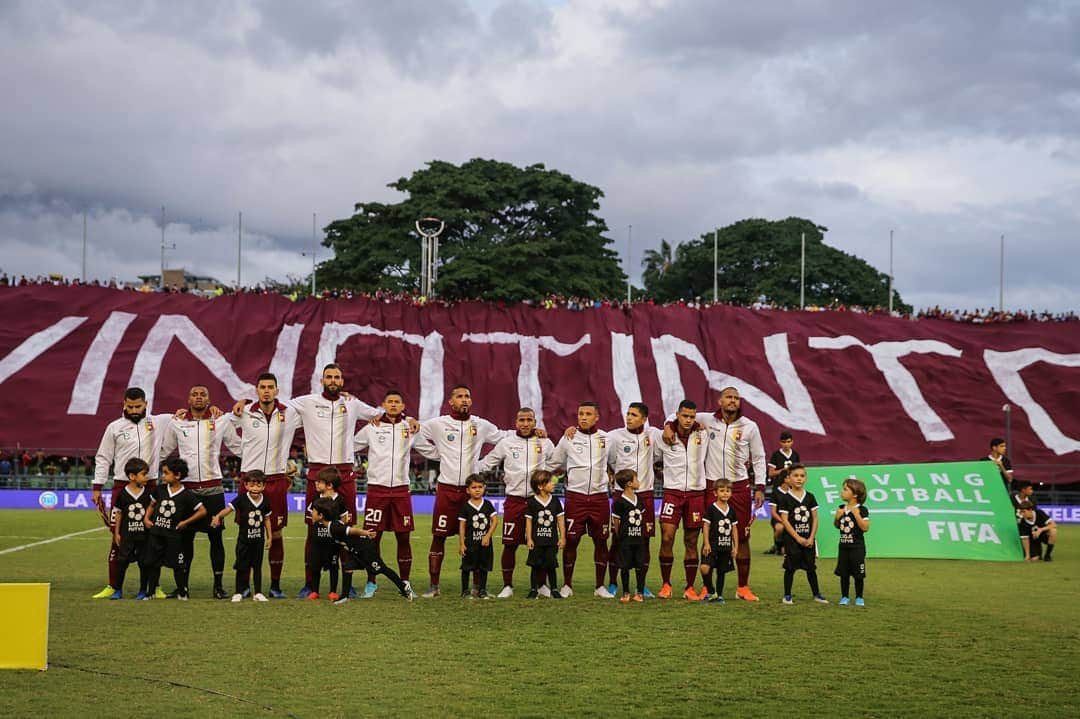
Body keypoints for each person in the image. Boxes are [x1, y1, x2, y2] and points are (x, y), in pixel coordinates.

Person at [240, 364, 381, 598]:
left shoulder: (352, 403)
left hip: (344, 473)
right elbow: (273, 403)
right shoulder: (305, 402)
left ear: (342, 381)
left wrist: (407, 419)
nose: (333, 380)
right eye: (329, 377)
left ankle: (347, 584)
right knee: (312, 530)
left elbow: (378, 413)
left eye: (337, 377)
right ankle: (309, 584)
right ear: (322, 380)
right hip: (317, 473)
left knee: (347, 532)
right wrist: (244, 403)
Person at [668, 386, 767, 601]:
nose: (732, 401)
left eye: (736, 398)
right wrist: (668, 427)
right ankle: (707, 586)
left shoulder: (750, 426)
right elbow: (675, 415)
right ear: (720, 401)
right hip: (711, 486)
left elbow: (759, 457)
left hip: (739, 487)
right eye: (728, 397)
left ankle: (743, 587)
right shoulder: (706, 419)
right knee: (710, 536)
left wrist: (760, 486)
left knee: (741, 538)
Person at [413, 384, 506, 598]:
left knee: (477, 538)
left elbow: (503, 437)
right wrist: (436, 453)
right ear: (451, 401)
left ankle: (476, 588)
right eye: (460, 396)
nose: (464, 400)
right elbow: (414, 431)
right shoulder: (438, 424)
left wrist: (484, 464)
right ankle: (434, 586)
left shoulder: (481, 425)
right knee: (439, 537)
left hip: (470, 492)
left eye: (467, 396)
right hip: (446, 490)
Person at [91, 387, 171, 599]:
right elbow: (103, 457)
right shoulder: (114, 427)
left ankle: (154, 586)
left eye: (138, 406)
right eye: (130, 406)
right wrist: (97, 486)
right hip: (121, 486)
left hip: (150, 485)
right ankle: (113, 585)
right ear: (124, 404)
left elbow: (187, 417)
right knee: (117, 537)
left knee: (153, 537)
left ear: (146, 403)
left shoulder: (160, 422)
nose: (134, 410)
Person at [223, 373, 294, 598]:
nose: (266, 391)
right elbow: (221, 425)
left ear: (277, 390)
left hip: (276, 479)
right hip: (250, 480)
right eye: (262, 387)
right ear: (256, 390)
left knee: (277, 533)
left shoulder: (290, 412)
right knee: (246, 533)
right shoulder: (244, 412)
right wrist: (241, 451)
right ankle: (243, 586)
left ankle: (274, 585)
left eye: (270, 387)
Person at [160, 384, 233, 599]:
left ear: (209, 400)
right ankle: (182, 586)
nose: (199, 397)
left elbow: (237, 446)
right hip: (187, 490)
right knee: (184, 540)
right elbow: (165, 451)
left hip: (213, 489)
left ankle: (218, 586)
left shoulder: (220, 422)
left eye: (203, 394)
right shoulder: (177, 423)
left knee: (216, 539)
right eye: (194, 394)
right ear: (188, 399)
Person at [479, 406, 555, 598]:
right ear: (516, 423)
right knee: (510, 544)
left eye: (529, 420)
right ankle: (507, 586)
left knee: (542, 544)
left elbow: (557, 464)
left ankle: (541, 584)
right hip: (514, 500)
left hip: (538, 502)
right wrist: (466, 471)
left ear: (535, 422)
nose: (525, 423)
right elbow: (487, 462)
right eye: (522, 420)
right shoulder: (506, 443)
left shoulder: (545, 443)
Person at [353, 389, 423, 599]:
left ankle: (406, 582)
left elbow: (429, 449)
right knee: (372, 538)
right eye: (390, 401)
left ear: (403, 407)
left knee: (404, 537)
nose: (393, 405)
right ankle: (371, 582)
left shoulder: (410, 428)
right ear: (383, 405)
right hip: (377, 489)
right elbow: (351, 446)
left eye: (397, 402)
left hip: (401, 490)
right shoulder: (371, 427)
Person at [547, 401, 614, 599]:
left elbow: (617, 463)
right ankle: (567, 585)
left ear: (597, 417)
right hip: (575, 497)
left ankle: (600, 586)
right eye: (580, 414)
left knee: (601, 542)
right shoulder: (569, 437)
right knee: (571, 541)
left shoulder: (607, 439)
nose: (583, 417)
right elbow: (553, 462)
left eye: (587, 414)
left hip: (599, 498)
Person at [604, 402, 663, 597]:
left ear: (644, 419)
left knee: (643, 541)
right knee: (618, 539)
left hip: (644, 494)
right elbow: (609, 460)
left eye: (634, 415)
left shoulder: (653, 434)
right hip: (621, 494)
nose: (628, 417)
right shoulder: (614, 436)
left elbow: (671, 424)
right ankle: (613, 582)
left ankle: (641, 585)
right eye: (627, 414)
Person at [308, 497, 416, 603]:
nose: (311, 512)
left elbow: (351, 530)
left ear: (321, 515)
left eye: (313, 511)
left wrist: (365, 533)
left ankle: (404, 588)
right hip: (354, 550)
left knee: (381, 569)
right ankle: (345, 596)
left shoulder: (334, 527)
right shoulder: (331, 524)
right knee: (348, 567)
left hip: (364, 549)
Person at [656, 400, 709, 601]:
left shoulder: (703, 434)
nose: (688, 420)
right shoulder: (665, 437)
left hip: (696, 493)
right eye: (684, 416)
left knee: (691, 541)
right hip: (673, 493)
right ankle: (666, 584)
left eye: (692, 416)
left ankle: (689, 587)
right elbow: (653, 459)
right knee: (667, 536)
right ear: (677, 415)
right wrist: (667, 426)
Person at [142, 458, 207, 600]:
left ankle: (182, 592)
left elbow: (202, 511)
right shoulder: (159, 490)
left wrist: (185, 522)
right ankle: (150, 592)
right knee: (152, 563)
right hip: (156, 533)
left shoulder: (187, 495)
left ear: (177, 475)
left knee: (178, 565)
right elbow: (152, 505)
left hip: (173, 536)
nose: (163, 476)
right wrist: (146, 518)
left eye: (166, 473)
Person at [211, 469, 273, 602]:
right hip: (244, 541)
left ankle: (258, 592)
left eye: (258, 485)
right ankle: (238, 592)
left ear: (263, 486)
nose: (255, 488)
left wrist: (270, 537)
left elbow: (267, 519)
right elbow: (228, 509)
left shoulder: (266, 501)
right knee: (241, 566)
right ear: (246, 485)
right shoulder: (242, 499)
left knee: (257, 567)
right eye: (252, 485)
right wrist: (218, 516)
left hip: (258, 541)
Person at [778, 464, 827, 604]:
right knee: (790, 568)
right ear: (789, 478)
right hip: (793, 540)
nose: (799, 479)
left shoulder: (810, 497)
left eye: (802, 476)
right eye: (796, 476)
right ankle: (787, 595)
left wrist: (811, 537)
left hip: (808, 540)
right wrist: (797, 538)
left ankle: (817, 594)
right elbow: (785, 521)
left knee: (811, 568)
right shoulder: (785, 498)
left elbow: (815, 518)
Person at [109, 458, 154, 600]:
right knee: (122, 562)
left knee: (144, 563)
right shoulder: (123, 494)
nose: (146, 477)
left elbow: (150, 511)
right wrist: (116, 533)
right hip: (127, 535)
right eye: (143, 474)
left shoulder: (148, 494)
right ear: (132, 476)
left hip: (143, 535)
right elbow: (119, 513)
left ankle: (142, 590)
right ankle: (118, 590)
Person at [305, 468, 350, 601]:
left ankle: (333, 591)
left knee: (334, 566)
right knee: (315, 567)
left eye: (319, 482)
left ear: (329, 485)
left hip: (332, 542)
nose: (316, 484)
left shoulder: (340, 500)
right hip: (317, 540)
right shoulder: (316, 499)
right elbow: (312, 516)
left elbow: (344, 519)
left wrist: (339, 532)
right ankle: (314, 591)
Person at [524, 469, 566, 599]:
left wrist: (563, 537)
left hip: (551, 540)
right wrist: (529, 538)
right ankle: (533, 589)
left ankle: (554, 589)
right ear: (540, 486)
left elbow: (560, 520)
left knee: (551, 565)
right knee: (535, 565)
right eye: (549, 482)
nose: (553, 484)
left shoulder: (555, 501)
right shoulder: (531, 502)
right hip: (537, 541)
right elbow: (529, 521)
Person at [458, 474, 498, 599]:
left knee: (483, 567)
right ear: (468, 490)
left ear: (484, 488)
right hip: (470, 543)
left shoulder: (487, 504)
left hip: (485, 543)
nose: (477, 489)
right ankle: (465, 591)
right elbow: (462, 526)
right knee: (467, 567)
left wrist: (488, 536)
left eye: (480, 487)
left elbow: (495, 521)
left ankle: (482, 590)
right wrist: (462, 543)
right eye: (474, 487)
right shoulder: (466, 506)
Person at [610, 469, 647, 602]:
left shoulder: (640, 499)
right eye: (636, 479)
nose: (639, 482)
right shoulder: (619, 502)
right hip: (625, 541)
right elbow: (616, 522)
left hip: (639, 540)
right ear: (629, 484)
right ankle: (626, 592)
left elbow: (642, 517)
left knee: (640, 566)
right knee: (624, 566)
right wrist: (621, 536)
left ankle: (640, 592)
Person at [700, 478, 739, 603]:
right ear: (715, 493)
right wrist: (706, 543)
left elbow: (734, 529)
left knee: (721, 572)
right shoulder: (711, 509)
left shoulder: (731, 511)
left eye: (728, 491)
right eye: (722, 491)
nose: (725, 493)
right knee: (705, 568)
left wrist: (735, 547)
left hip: (726, 546)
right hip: (712, 545)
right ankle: (711, 591)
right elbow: (706, 526)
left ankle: (719, 595)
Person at [833, 478, 870, 606]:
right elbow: (838, 526)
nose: (842, 492)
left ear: (855, 494)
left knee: (858, 574)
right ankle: (844, 597)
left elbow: (865, 527)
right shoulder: (841, 508)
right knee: (844, 573)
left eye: (845, 489)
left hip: (857, 547)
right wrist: (837, 518)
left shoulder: (862, 509)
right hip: (843, 547)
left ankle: (859, 597)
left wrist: (857, 514)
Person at [765, 431, 800, 555]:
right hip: (779, 489)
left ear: (792, 442)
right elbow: (770, 473)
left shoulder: (795, 455)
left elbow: (800, 471)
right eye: (784, 442)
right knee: (779, 526)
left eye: (788, 441)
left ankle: (791, 543)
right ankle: (777, 545)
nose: (786, 444)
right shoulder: (776, 455)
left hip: (792, 490)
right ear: (780, 442)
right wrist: (783, 471)